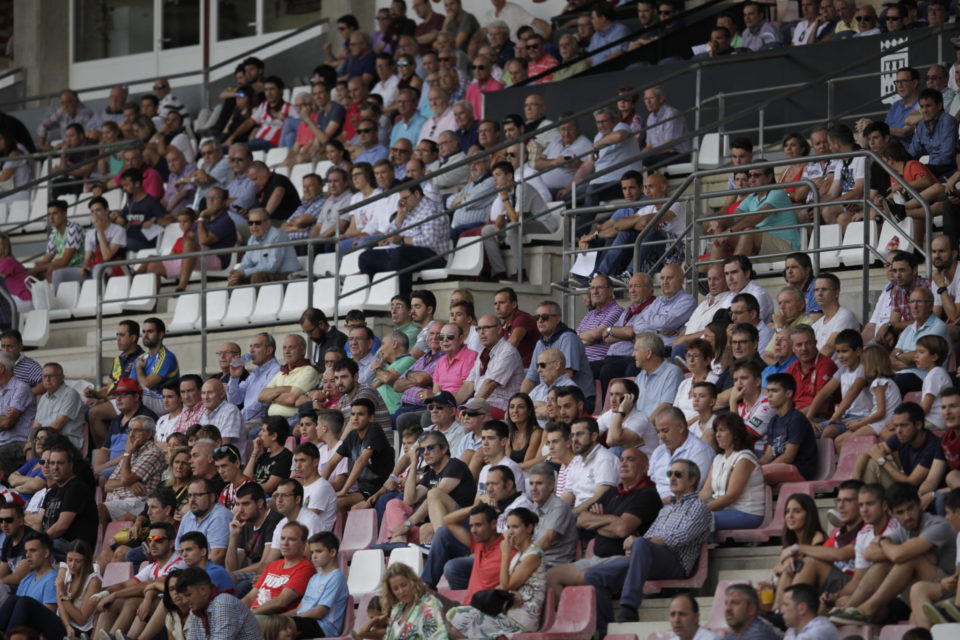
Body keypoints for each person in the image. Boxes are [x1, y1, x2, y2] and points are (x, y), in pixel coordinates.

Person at [586, 459, 712, 635]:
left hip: (676, 564)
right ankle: (605, 632)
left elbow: (680, 537)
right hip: (649, 558)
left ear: (692, 480)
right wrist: (636, 543)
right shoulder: (666, 509)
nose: (672, 478)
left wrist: (638, 542)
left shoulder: (700, 507)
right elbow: (645, 539)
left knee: (641, 544)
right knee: (594, 575)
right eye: (670, 474)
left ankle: (629, 607)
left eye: (678, 474)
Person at [830, 482, 956, 626]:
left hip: (948, 588)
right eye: (900, 512)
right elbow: (869, 553)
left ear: (919, 504)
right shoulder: (904, 529)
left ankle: (867, 608)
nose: (907, 516)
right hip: (922, 589)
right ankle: (849, 609)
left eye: (910, 508)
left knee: (911, 559)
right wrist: (890, 546)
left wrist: (886, 544)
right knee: (885, 562)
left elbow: (898, 556)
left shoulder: (938, 524)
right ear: (891, 513)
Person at [446, 507, 547, 637]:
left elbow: (507, 585)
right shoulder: (520, 554)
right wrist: (509, 592)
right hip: (509, 612)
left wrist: (505, 553)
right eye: (508, 527)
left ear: (529, 528)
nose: (510, 532)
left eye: (515, 527)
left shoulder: (534, 555)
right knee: (453, 623)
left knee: (455, 617)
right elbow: (506, 587)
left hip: (521, 619)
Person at [699, 413, 766, 530]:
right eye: (716, 431)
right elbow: (706, 492)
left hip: (747, 513)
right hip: (725, 510)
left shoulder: (744, 458)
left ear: (735, 434)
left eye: (722, 430)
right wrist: (688, 505)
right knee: (684, 516)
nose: (717, 435)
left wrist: (698, 510)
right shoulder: (718, 458)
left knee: (695, 519)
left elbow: (731, 496)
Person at [0, 533, 64, 639]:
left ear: (46, 553)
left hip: (46, 630)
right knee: (13, 599)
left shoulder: (54, 578)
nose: (28, 555)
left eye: (33, 550)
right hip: (23, 628)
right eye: (26, 551)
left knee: (25, 601)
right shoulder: (26, 578)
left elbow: (48, 614)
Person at [770, 493, 826, 610]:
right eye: (787, 511)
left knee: (788, 571)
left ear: (808, 515)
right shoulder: (790, 542)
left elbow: (807, 565)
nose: (790, 516)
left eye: (797, 511)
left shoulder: (817, 536)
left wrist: (790, 560)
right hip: (792, 590)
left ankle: (778, 612)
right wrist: (786, 561)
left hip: (813, 592)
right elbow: (776, 569)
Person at [175, 567, 263, 640]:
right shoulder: (195, 609)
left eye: (188, 595)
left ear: (203, 590)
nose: (185, 601)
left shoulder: (223, 604)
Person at [760, 374, 819, 481]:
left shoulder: (796, 419)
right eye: (768, 391)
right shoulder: (773, 421)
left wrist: (765, 469)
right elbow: (769, 454)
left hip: (799, 470)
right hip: (781, 468)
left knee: (755, 477)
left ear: (788, 393)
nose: (769, 395)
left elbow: (789, 456)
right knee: (745, 474)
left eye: (774, 391)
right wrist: (755, 467)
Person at [228, 208, 301, 285]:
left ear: (268, 223)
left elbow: (272, 266)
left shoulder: (277, 235)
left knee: (258, 277)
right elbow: (247, 262)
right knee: (235, 281)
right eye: (250, 223)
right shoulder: (252, 239)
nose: (253, 226)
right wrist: (236, 274)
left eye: (258, 223)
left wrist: (244, 272)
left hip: (287, 275)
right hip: (269, 275)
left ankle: (260, 297)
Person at [55, 539, 101, 639]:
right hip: (63, 622)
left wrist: (63, 593)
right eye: (70, 560)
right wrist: (67, 625)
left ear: (86, 561)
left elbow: (81, 619)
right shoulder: (64, 570)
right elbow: (60, 605)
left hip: (79, 629)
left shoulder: (93, 581)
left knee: (26, 604)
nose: (72, 565)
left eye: (78, 561)